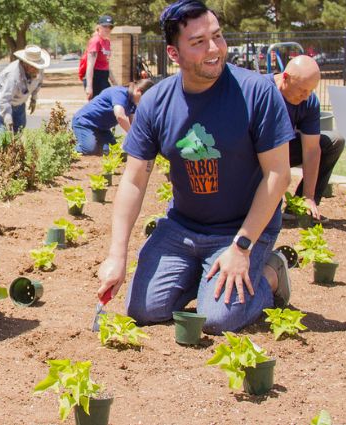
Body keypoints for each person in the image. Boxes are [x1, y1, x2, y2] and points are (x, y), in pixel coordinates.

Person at [95, 0, 294, 335]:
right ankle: (202, 276)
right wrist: (117, 255)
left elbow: (278, 175)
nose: (214, 49)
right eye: (199, 42)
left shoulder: (257, 92)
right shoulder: (157, 102)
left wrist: (242, 247)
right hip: (182, 227)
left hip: (241, 229)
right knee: (143, 310)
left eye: (217, 36)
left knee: (217, 320)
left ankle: (271, 275)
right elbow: (133, 180)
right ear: (174, 54)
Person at [269, 55, 346, 219]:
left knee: (334, 141)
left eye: (311, 90)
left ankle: (301, 206)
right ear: (286, 78)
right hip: (254, 154)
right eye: (302, 90)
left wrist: (308, 196)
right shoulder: (262, 91)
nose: (306, 95)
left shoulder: (309, 101)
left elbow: (311, 149)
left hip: (285, 149)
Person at [72, 79, 154, 155]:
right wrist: (133, 135)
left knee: (110, 151)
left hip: (101, 129)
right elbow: (120, 116)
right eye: (144, 98)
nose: (144, 101)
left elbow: (133, 124)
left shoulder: (133, 102)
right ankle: (69, 150)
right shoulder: (120, 93)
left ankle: (88, 140)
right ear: (138, 91)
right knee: (89, 149)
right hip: (84, 122)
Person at [0, 45, 50, 134]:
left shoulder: (39, 69)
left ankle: (15, 146)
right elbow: (3, 99)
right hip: (2, 101)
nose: (37, 69)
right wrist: (7, 118)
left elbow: (38, 83)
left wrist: (33, 99)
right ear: (25, 64)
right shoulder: (13, 76)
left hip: (19, 101)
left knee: (19, 129)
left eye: (38, 66)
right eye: (33, 66)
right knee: (4, 134)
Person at [82, 15, 118, 100]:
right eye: (105, 26)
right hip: (95, 77)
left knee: (108, 103)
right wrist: (89, 86)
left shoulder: (107, 42)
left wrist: (115, 83)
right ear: (98, 27)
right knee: (99, 107)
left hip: (104, 77)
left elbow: (106, 64)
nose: (107, 29)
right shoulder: (96, 41)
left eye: (110, 27)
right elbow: (90, 65)